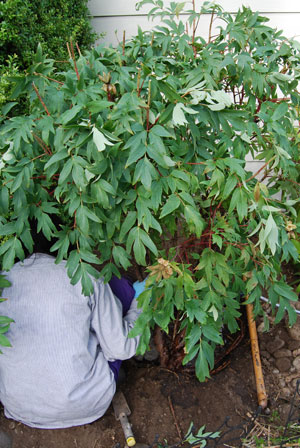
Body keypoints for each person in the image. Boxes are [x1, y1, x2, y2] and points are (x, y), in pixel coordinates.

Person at [0, 252, 144, 429]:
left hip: (19, 406)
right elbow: (120, 348)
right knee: (121, 288)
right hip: (85, 404)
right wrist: (140, 305)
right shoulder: (85, 276)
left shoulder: (3, 282)